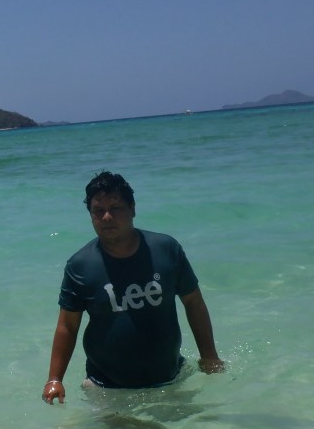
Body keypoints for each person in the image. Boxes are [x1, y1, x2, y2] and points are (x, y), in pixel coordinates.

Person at [42, 172, 223, 404]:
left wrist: (209, 357)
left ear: (132, 209)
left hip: (172, 378)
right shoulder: (80, 266)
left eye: (115, 208)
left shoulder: (166, 249)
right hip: (107, 386)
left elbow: (193, 302)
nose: (107, 217)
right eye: (98, 211)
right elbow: (67, 326)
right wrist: (54, 379)